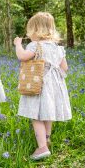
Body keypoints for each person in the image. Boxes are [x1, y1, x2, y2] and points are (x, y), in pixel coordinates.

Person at [14, 12, 72, 160]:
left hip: (39, 84)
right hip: (54, 86)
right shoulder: (57, 48)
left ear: (35, 30)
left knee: (36, 115)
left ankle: (42, 147)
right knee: (48, 112)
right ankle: (47, 138)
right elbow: (64, 68)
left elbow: (22, 56)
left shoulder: (35, 45)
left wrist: (18, 45)